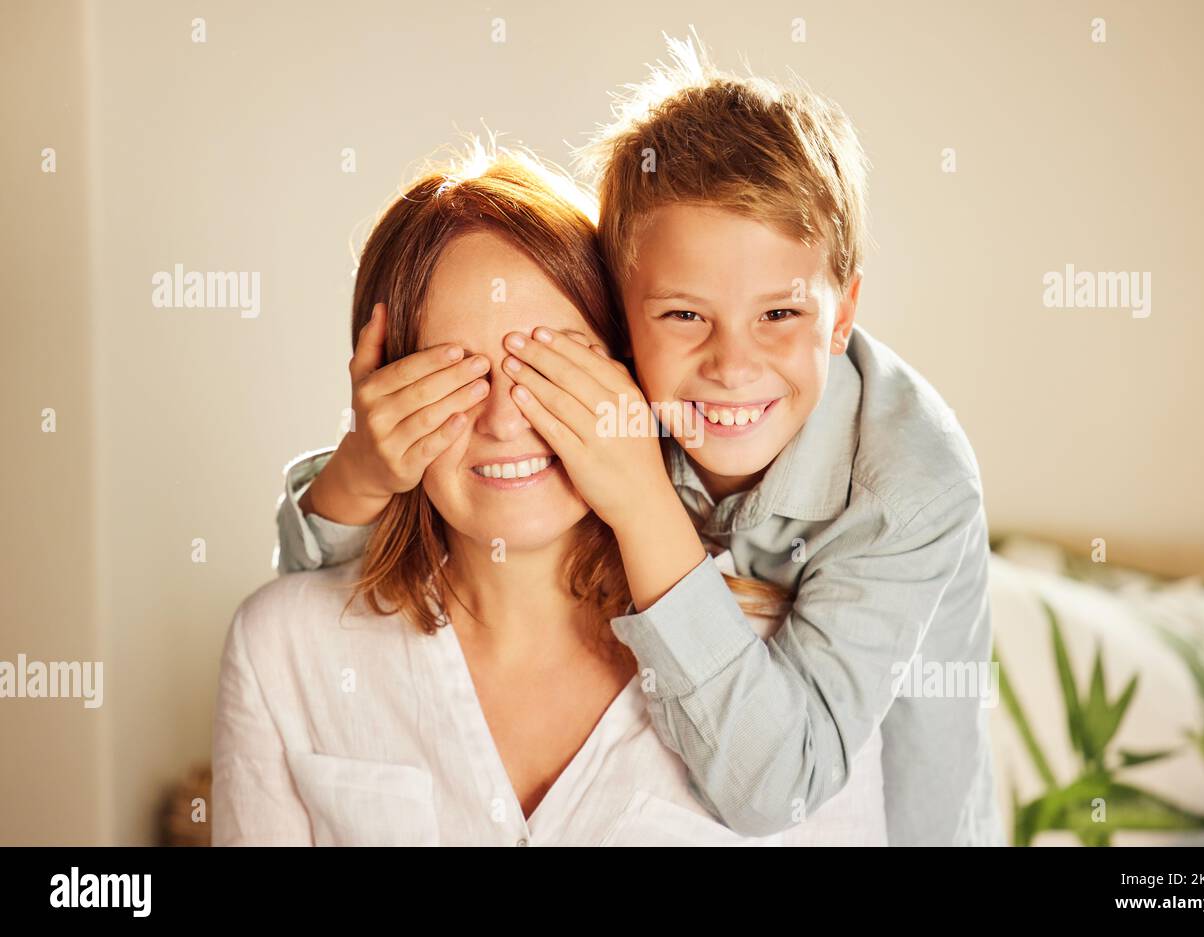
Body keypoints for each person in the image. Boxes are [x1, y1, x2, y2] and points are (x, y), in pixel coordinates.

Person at [274, 34, 1001, 844]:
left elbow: (780, 790)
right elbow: (316, 611)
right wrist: (364, 472)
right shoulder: (613, 388)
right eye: (685, 314)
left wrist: (643, 501)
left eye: (780, 313)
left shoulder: (913, 488)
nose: (731, 366)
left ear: (843, 317)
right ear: (619, 316)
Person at [211, 146, 886, 845]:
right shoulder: (281, 648)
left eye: (550, 368)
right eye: (454, 375)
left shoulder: (798, 679)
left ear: (631, 370)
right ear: (383, 396)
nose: (504, 420)